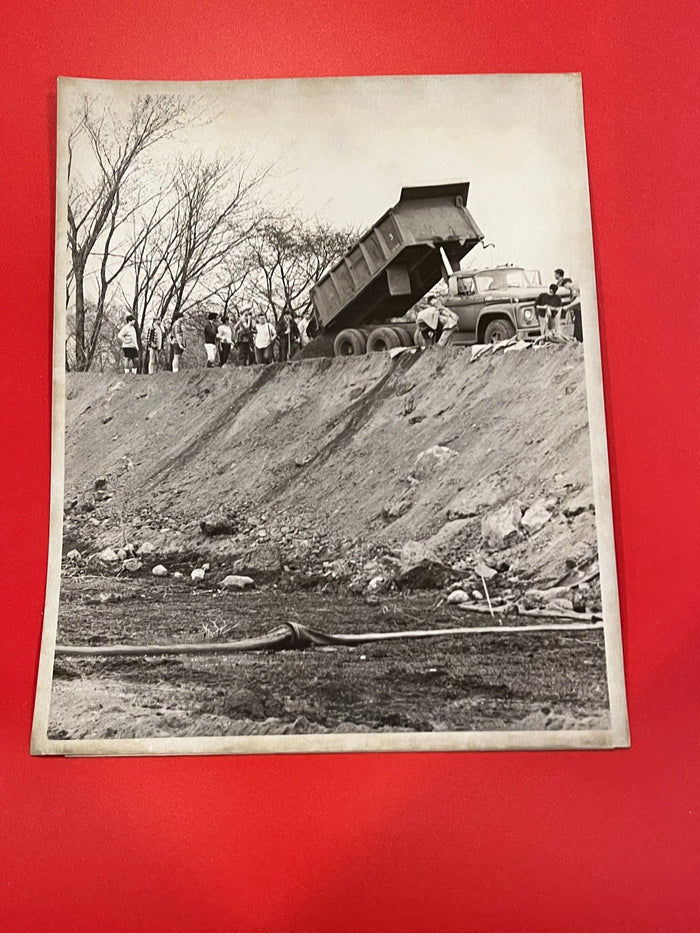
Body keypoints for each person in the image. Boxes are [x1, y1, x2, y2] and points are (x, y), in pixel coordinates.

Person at [556, 270, 583, 343]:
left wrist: (568, 307)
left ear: (566, 284)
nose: (566, 288)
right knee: (577, 327)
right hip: (577, 310)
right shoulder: (574, 288)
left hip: (580, 310)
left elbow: (579, 299)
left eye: (565, 286)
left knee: (579, 327)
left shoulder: (574, 287)